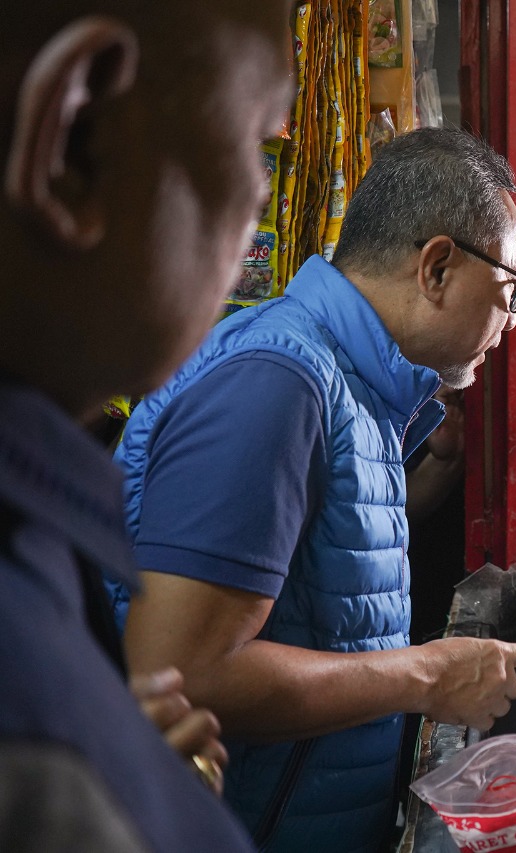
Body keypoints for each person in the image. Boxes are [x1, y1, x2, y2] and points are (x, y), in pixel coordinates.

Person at [112, 127, 516, 852]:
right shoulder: (279, 381)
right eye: (510, 289)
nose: (513, 321)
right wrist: (427, 674)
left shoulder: (352, 385)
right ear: (438, 266)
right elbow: (182, 672)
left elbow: (315, 565)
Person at [0, 1, 295, 850]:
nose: (259, 195)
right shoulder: (34, 743)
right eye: (257, 142)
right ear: (76, 144)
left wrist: (115, 745)